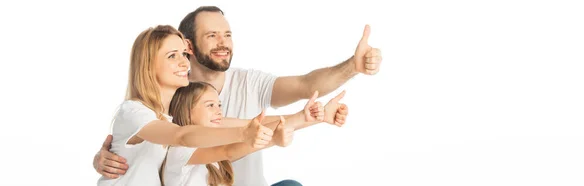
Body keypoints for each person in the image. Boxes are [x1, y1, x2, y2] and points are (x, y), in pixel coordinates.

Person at [94, 6, 381, 186]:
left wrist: (312, 116)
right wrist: (104, 157)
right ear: (190, 45)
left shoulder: (244, 84)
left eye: (227, 34)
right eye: (212, 36)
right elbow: (184, 136)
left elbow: (302, 88)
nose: (224, 43)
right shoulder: (175, 106)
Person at [97, 25, 277, 186]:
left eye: (184, 54)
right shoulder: (134, 111)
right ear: (148, 65)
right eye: (172, 56)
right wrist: (243, 134)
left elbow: (238, 123)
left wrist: (300, 118)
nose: (185, 62)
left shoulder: (172, 116)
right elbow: (181, 136)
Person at [162, 82, 348, 186]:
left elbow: (260, 126)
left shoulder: (214, 146)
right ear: (186, 112)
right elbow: (229, 150)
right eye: (210, 105)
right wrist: (274, 139)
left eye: (219, 105)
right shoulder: (179, 149)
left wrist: (313, 117)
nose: (218, 110)